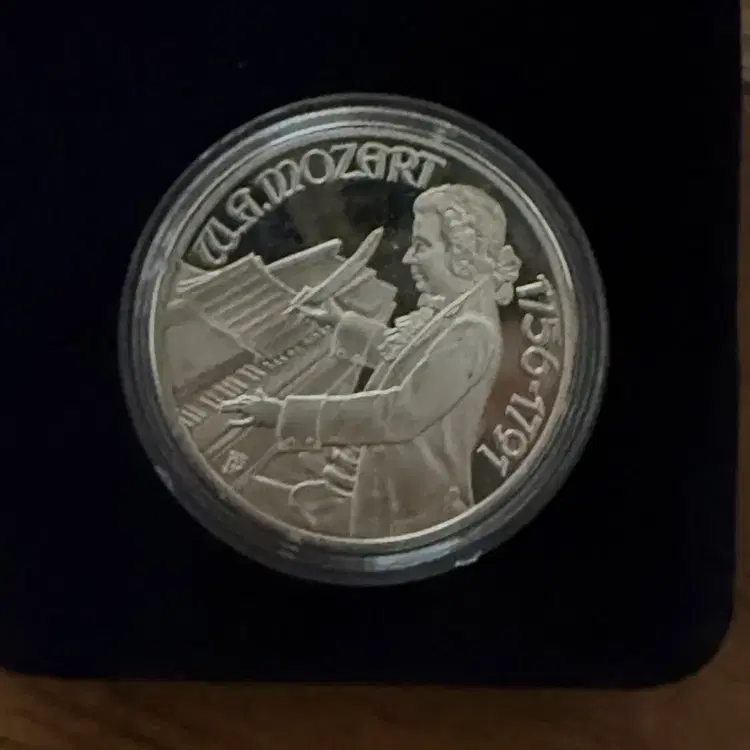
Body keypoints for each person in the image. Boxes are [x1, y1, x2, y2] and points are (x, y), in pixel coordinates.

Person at [221, 184, 522, 536]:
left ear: (461, 254)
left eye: (422, 246)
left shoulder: (471, 332)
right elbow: (409, 355)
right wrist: (339, 321)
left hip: (408, 515)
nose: (408, 259)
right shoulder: (456, 314)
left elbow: (396, 414)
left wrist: (284, 414)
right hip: (386, 491)